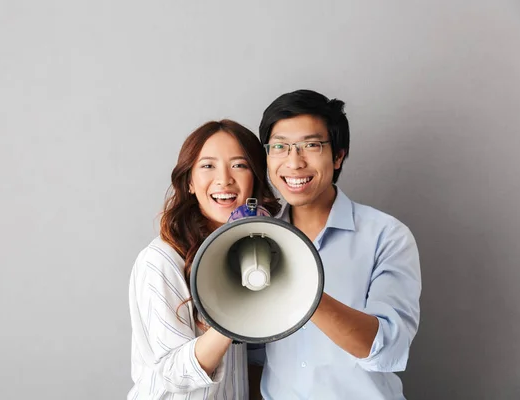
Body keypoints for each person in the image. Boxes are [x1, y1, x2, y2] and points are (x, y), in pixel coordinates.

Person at [255, 90, 422, 399]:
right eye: (280, 146)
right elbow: (252, 356)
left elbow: (387, 348)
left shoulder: (387, 236)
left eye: (311, 145)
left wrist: (299, 287)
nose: (294, 161)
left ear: (338, 155)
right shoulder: (255, 240)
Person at [127, 120, 280, 400]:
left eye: (239, 165)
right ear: (189, 182)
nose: (224, 180)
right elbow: (173, 374)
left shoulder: (247, 252)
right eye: (208, 166)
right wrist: (236, 306)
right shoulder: (161, 260)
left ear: (256, 179)